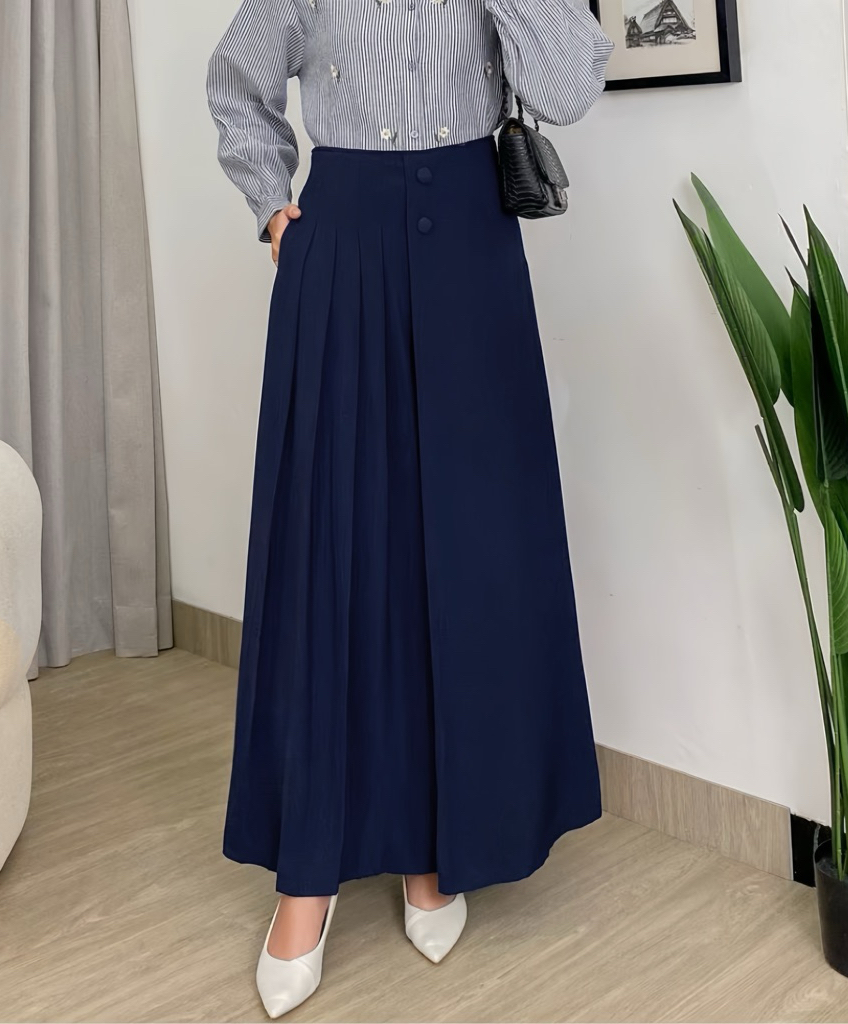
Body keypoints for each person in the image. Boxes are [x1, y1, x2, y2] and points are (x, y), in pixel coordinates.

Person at [207, 0, 613, 1016]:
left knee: (471, 556)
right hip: (341, 253)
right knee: (333, 554)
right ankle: (306, 878)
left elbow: (570, 88)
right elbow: (236, 81)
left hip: (471, 254)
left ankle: (437, 847)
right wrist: (271, 203)